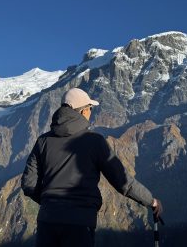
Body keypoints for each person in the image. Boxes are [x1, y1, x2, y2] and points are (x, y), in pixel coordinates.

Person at [21, 87, 163, 247]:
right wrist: (151, 201)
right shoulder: (95, 141)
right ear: (82, 112)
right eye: (90, 108)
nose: (91, 112)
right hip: (80, 224)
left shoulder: (42, 141)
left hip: (47, 222)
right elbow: (123, 182)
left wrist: (50, 203)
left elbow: (28, 183)